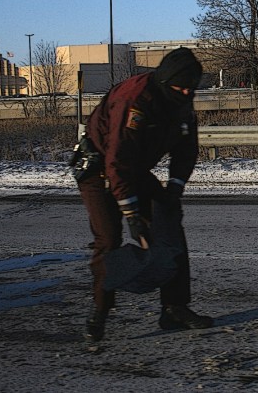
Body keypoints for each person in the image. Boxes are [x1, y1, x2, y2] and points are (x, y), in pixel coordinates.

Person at [72, 47, 213, 342]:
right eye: (181, 86)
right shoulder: (134, 99)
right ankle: (100, 310)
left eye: (191, 87)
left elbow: (186, 149)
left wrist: (175, 187)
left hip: (134, 169)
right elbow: (117, 159)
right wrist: (132, 215)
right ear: (165, 81)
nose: (187, 92)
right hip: (99, 169)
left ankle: (174, 308)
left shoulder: (181, 101)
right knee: (108, 238)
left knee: (169, 226)